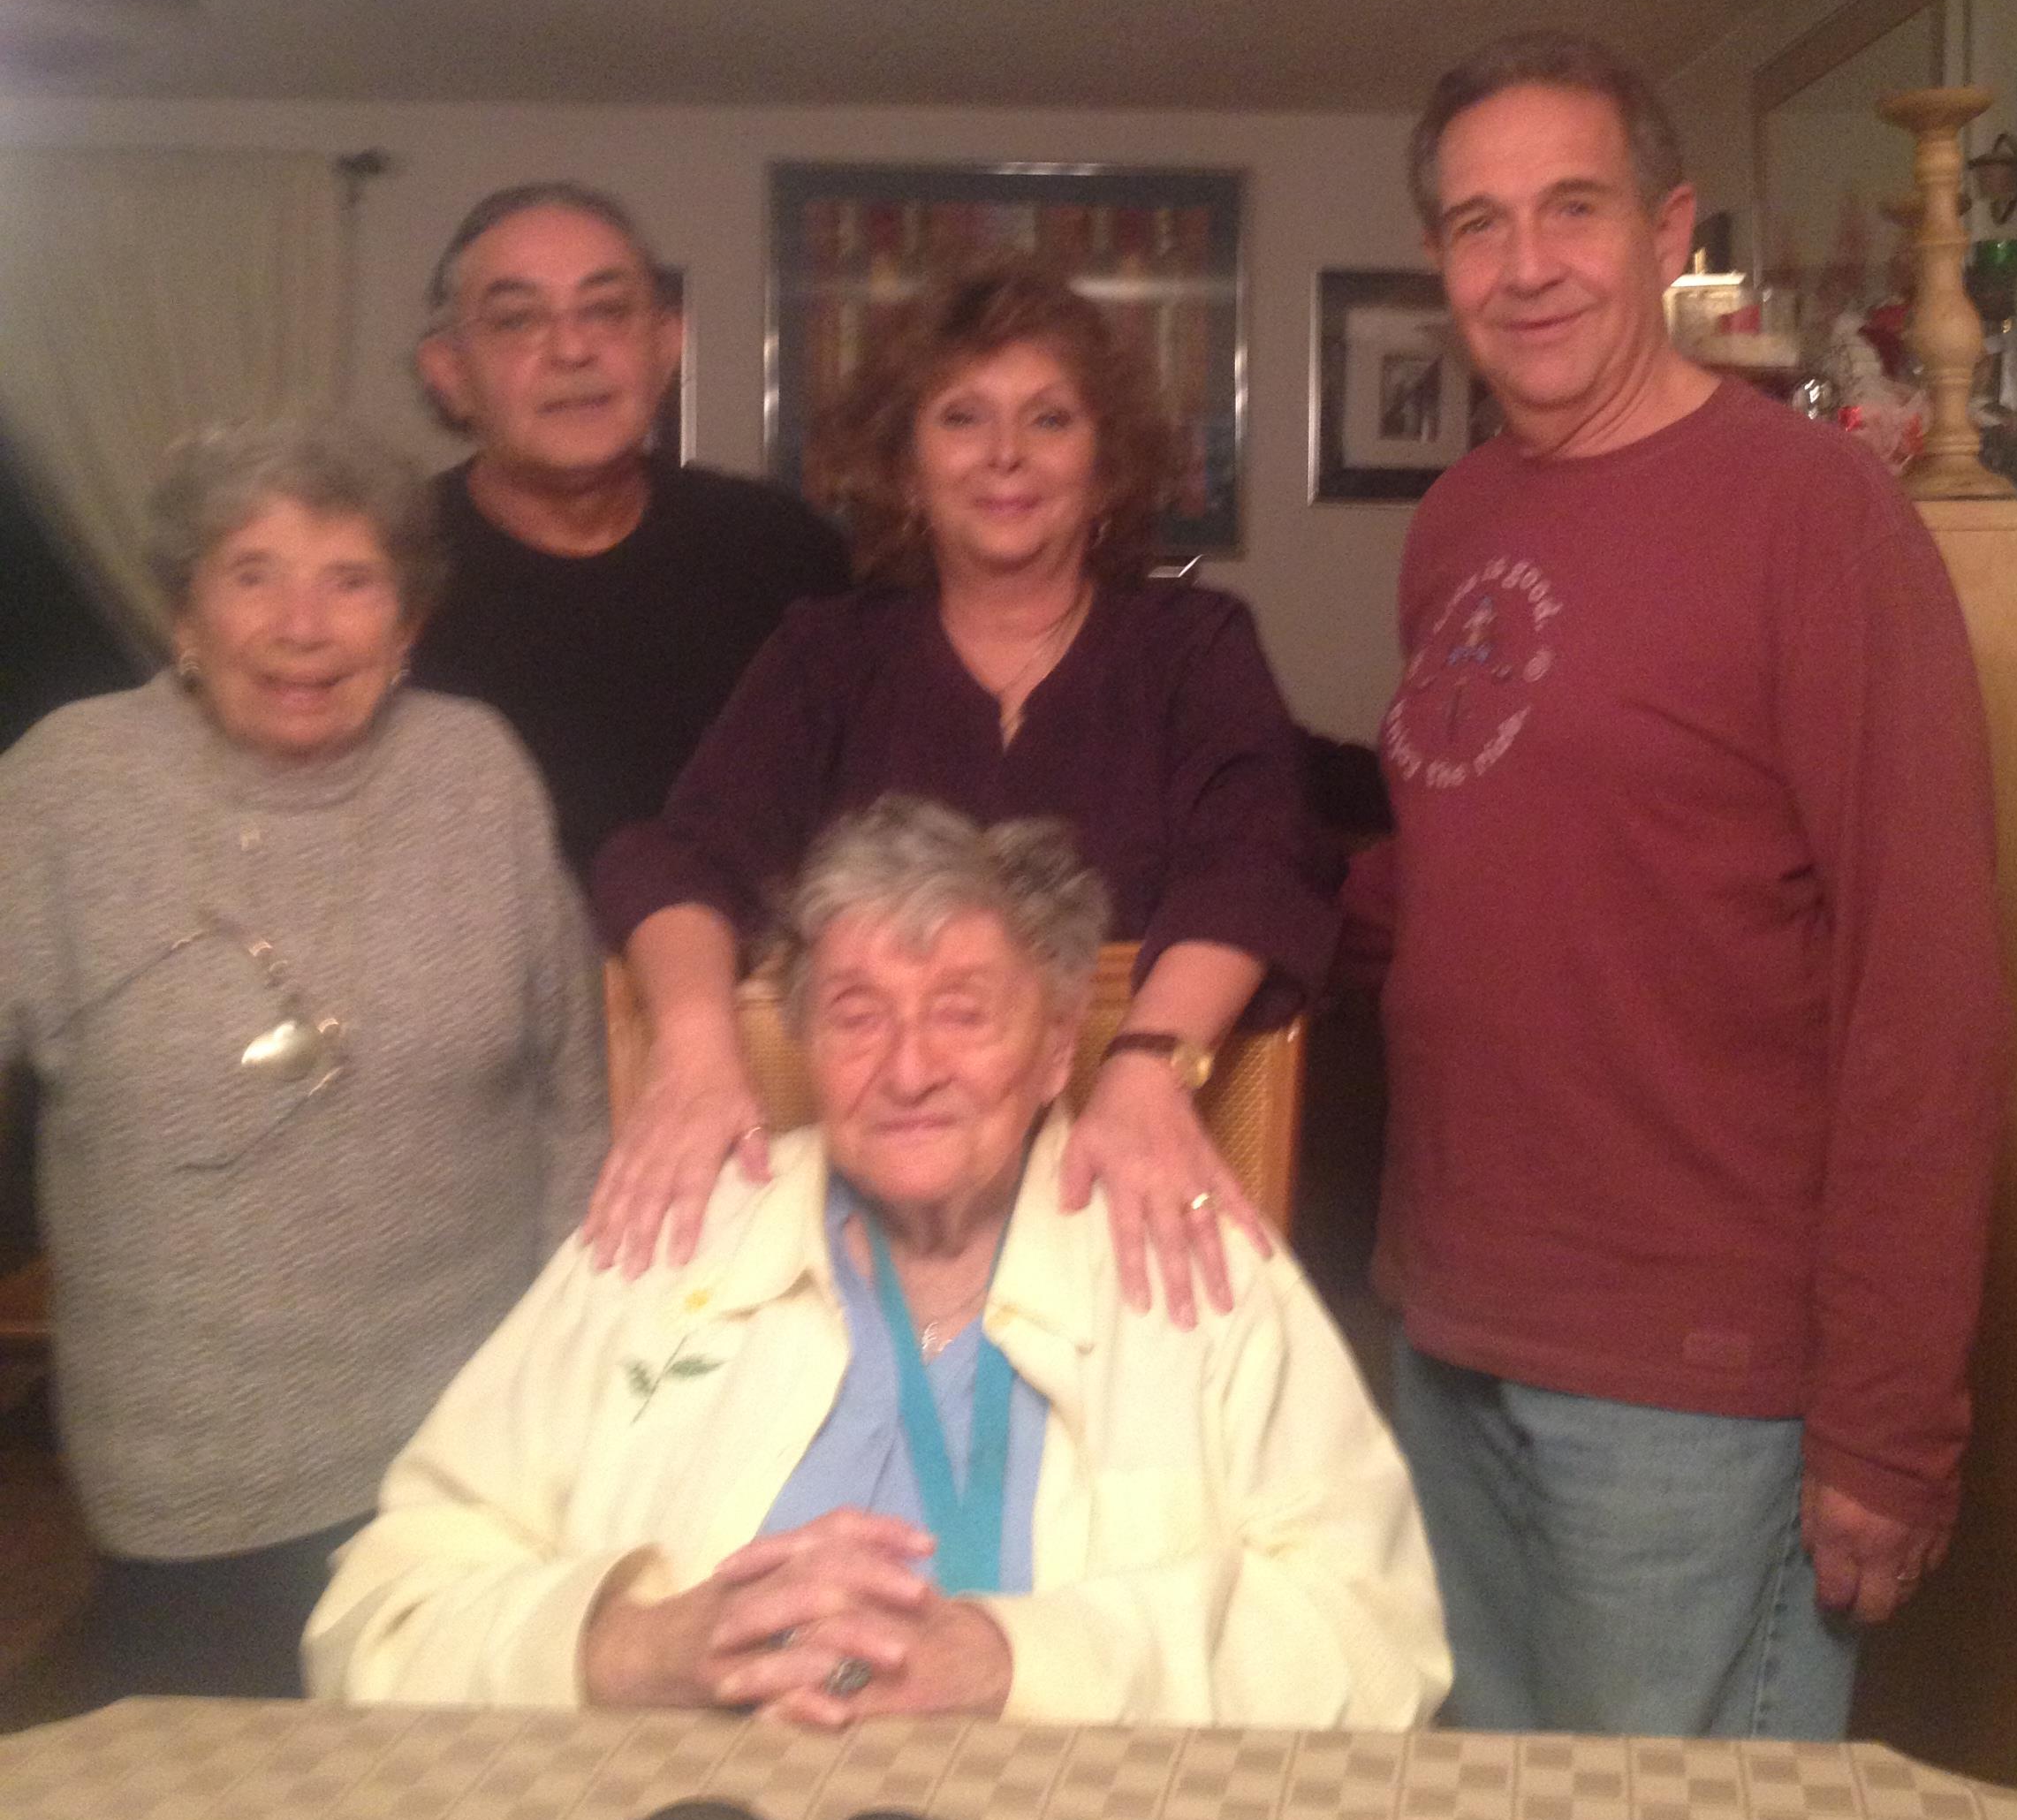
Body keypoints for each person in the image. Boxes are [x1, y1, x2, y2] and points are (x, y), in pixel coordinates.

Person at [1366, 32, 2011, 1740]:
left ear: (1666, 230)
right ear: (1439, 257)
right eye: (1478, 222)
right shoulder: (1455, 519)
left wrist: (1888, 1420)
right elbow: (1502, 873)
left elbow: (1927, 990)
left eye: (1569, 207)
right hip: (1453, 1335)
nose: (1524, 264)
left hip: (1694, 1384)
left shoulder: (1812, 515)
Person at [306, 797, 1449, 1726]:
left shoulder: (1189, 1256)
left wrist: (1017, 1658)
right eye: (857, 1015)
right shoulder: (666, 1238)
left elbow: (1377, 1641)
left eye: (963, 1012)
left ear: (1058, 1050)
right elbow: (380, 1612)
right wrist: (636, 1647)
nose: (908, 1070)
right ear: (805, 1039)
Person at [587, 259, 1336, 1318]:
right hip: (866, 1219)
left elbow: (1255, 868)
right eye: (961, 418)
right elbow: (680, 862)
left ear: (1107, 465)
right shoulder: (826, 656)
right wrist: (697, 1049)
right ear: (905, 467)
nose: (1005, 455)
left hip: (1122, 1203)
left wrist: (1147, 1066)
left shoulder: (1195, 647)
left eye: (1050, 419)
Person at [0, 414, 607, 1707]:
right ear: (185, 611)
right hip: (193, 1482)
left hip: (477, 1461)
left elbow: (573, 1084)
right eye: (254, 573)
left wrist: (569, 1375)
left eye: (351, 580)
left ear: (406, 622)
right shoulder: (65, 791)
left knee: (472, 1801)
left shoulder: (475, 770)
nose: (302, 625)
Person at [410, 181, 849, 876]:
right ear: (450, 372)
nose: (572, 349)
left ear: (667, 344)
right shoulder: (383, 565)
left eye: (608, 310)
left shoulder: (783, 550)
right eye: (518, 321)